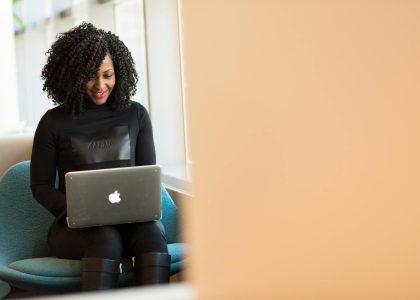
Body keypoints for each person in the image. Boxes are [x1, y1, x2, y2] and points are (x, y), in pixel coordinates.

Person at [30, 22, 170, 291]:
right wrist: (80, 210)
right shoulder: (52, 122)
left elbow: (146, 177)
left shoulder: (136, 115)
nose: (100, 85)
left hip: (132, 222)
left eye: (108, 75)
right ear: (73, 75)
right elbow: (40, 187)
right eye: (91, 76)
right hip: (75, 228)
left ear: (119, 72)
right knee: (106, 237)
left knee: (152, 235)